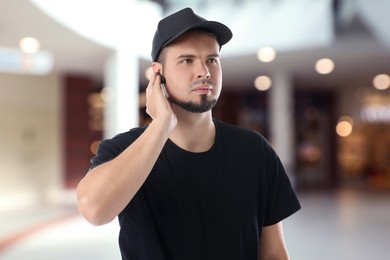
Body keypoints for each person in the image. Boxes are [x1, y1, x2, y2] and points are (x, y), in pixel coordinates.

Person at [77, 7, 301, 260]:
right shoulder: (124, 150)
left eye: (212, 60)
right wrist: (161, 124)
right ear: (158, 74)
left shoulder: (255, 150)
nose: (204, 71)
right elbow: (93, 209)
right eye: (187, 60)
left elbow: (273, 253)